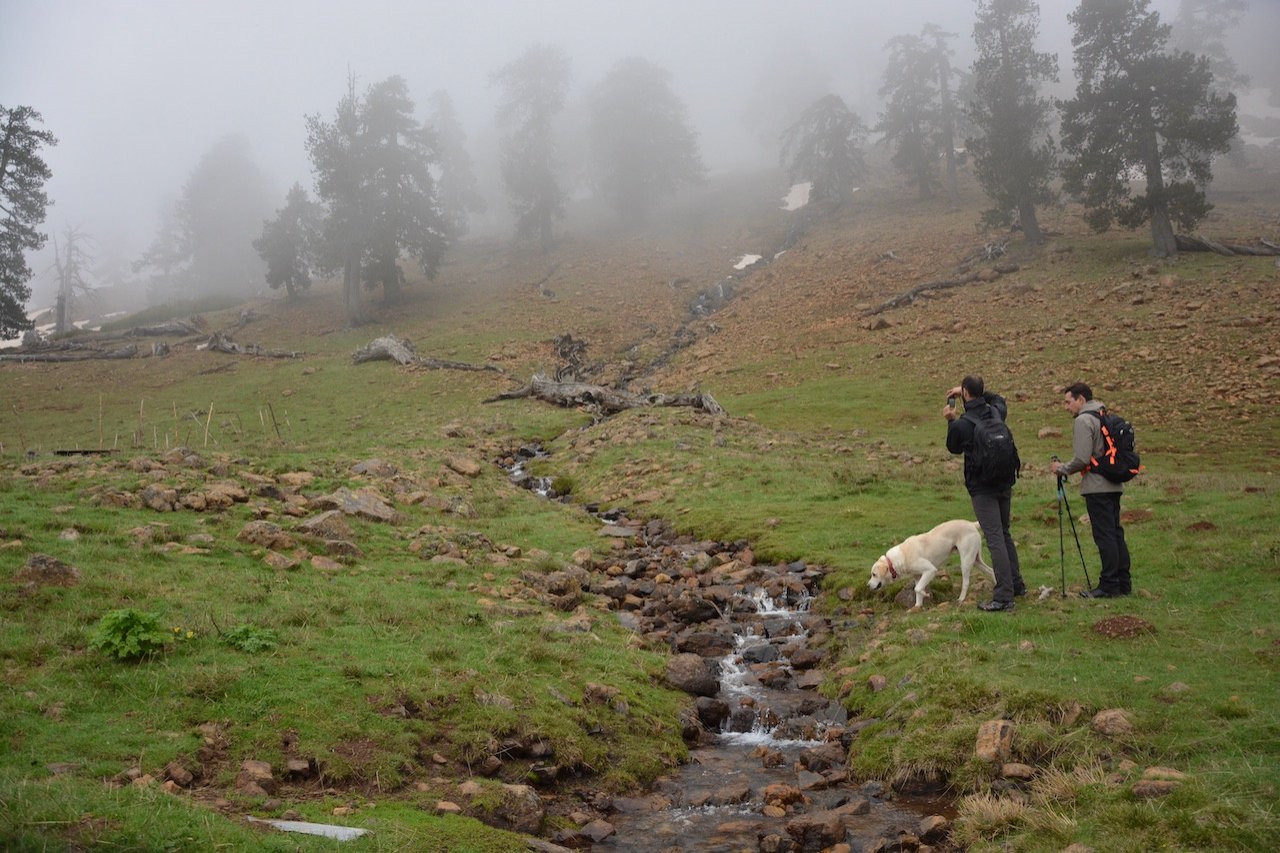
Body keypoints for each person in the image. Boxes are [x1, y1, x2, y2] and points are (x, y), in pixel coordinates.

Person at [944, 375, 1025, 611]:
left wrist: (950, 420)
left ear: (965, 394)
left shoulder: (963, 424)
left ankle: (1003, 596)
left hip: (982, 488)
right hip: (1005, 482)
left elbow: (953, 447)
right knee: (1004, 532)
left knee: (994, 536)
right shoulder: (996, 412)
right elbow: (998, 398)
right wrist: (974, 392)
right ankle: (1016, 584)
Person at [1050, 382, 1131, 598]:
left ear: (1081, 400)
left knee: (1104, 536)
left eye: (1068, 402)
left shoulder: (1084, 420)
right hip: (1114, 483)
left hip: (1097, 487)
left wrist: (1062, 469)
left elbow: (1082, 458)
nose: (1067, 407)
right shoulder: (1104, 415)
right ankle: (1123, 583)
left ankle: (1109, 586)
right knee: (1115, 533)